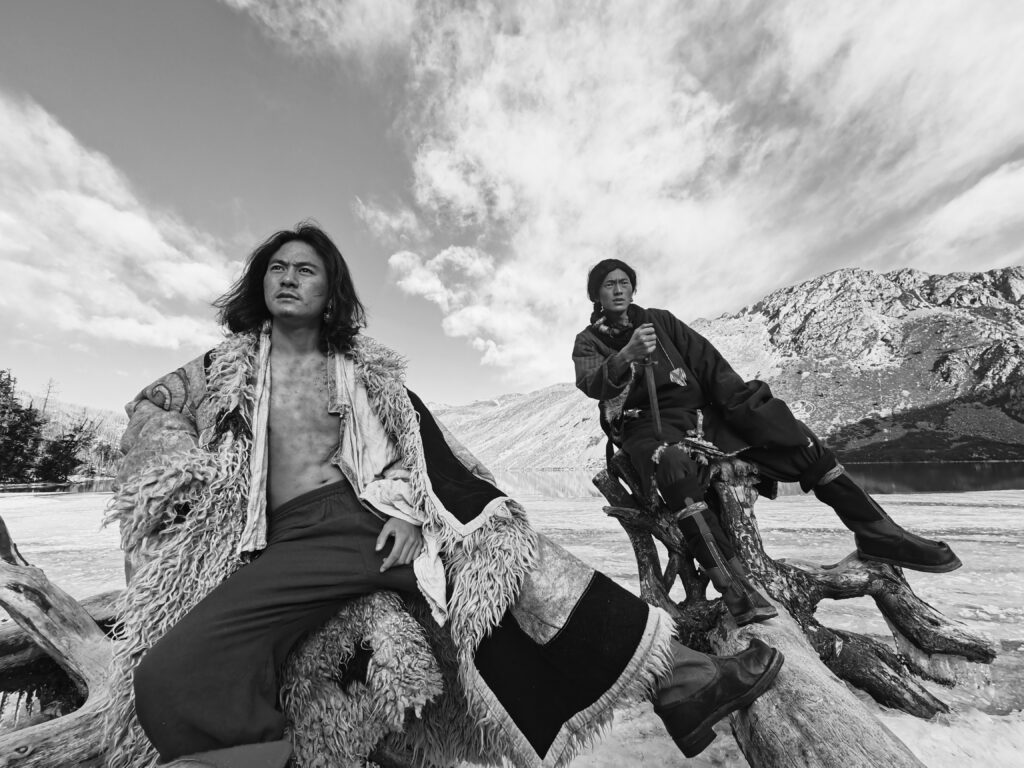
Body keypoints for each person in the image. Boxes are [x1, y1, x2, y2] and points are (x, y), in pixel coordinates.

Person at [105, 225, 784, 768]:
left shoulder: (363, 371)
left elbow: (421, 453)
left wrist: (405, 510)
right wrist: (178, 471)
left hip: (367, 520)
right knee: (170, 676)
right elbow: (150, 408)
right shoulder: (220, 368)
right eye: (277, 267)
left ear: (330, 290)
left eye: (304, 269)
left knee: (515, 563)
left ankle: (684, 678)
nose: (287, 276)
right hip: (280, 544)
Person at [572, 259, 962, 627]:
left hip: (700, 418)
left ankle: (879, 533)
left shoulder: (661, 322)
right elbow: (593, 384)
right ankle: (734, 586)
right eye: (609, 285)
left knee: (798, 440)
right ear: (597, 296)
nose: (619, 290)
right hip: (647, 429)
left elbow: (710, 365)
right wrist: (627, 355)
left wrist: (748, 409)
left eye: (625, 282)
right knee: (673, 464)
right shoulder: (588, 340)